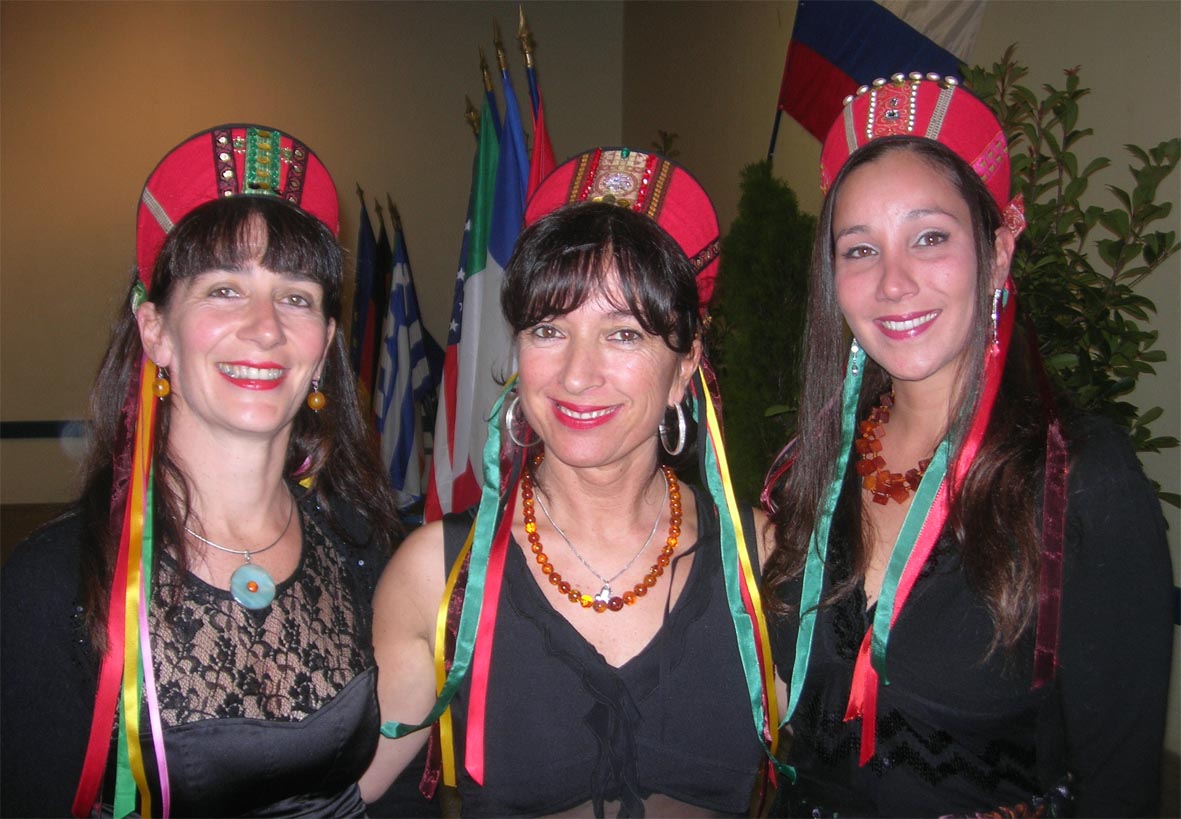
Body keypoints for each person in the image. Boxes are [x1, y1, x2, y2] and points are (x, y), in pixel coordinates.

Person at [763, 73, 1174, 817]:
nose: (892, 282)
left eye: (929, 237)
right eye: (859, 250)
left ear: (1000, 248)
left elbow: (1119, 783)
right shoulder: (807, 469)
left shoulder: (1078, 477)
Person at [360, 148, 783, 817]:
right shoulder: (436, 576)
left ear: (684, 367)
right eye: (549, 329)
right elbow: (341, 795)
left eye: (624, 334)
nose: (577, 375)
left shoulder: (763, 560)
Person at [1, 125, 405, 817]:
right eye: (223, 289)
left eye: (297, 297)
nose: (266, 327)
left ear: (325, 345)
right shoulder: (54, 583)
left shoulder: (362, 544)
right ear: (155, 330)